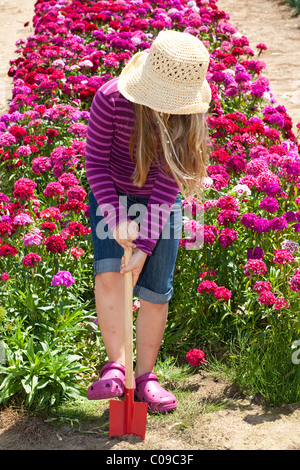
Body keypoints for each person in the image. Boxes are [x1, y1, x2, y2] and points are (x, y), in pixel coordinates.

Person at [85, 30, 211, 412]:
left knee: (156, 292)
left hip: (162, 202)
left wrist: (143, 246)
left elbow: (168, 183)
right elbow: (96, 165)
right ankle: (117, 368)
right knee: (110, 274)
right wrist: (117, 218)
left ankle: (145, 377)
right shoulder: (111, 99)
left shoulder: (187, 116)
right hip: (112, 194)